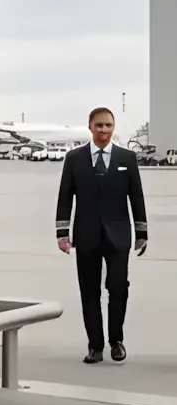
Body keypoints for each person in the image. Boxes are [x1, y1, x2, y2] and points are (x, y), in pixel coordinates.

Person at [55, 107, 148, 364]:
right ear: (90, 126)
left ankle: (116, 340)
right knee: (89, 291)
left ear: (113, 127)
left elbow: (136, 196)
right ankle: (95, 345)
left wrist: (141, 232)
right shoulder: (74, 159)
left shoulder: (127, 158)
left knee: (118, 287)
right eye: (99, 125)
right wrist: (62, 232)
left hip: (118, 235)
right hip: (85, 235)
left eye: (108, 125)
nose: (103, 130)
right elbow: (65, 196)